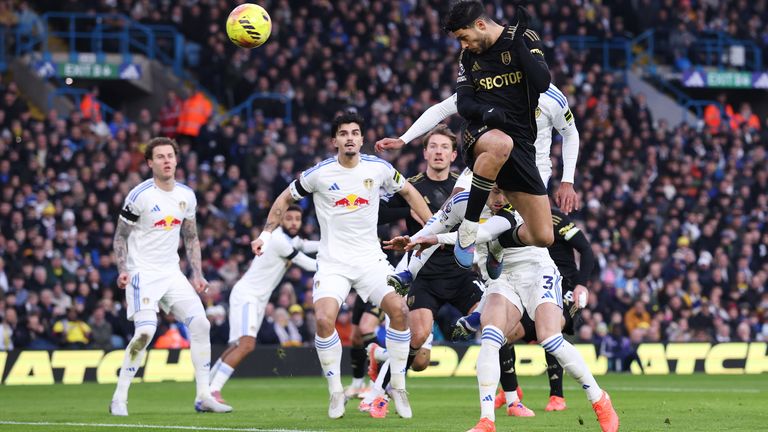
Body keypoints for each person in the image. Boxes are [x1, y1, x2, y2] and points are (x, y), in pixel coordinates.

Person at [250, 113, 432, 419]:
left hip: (370, 260)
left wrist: (431, 230)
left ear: (361, 139)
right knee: (324, 320)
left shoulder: (378, 168)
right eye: (344, 133)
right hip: (333, 263)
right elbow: (283, 199)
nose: (350, 138)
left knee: (400, 311)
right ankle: (336, 392)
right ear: (334, 141)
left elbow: (409, 192)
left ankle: (398, 386)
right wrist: (266, 234)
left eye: (355, 132)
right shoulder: (319, 174)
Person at [405, 198, 619, 432]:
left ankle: (599, 398)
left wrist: (436, 239)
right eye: (494, 191)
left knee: (549, 338)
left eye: (502, 191)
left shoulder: (518, 202)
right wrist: (412, 243)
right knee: (490, 338)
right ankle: (487, 420)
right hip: (501, 278)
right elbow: (435, 222)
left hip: (536, 270)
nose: (499, 198)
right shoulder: (462, 202)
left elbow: (484, 233)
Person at [364, 125, 486, 418]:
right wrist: (407, 210)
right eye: (433, 147)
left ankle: (511, 396)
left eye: (445, 147)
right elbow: (375, 213)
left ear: (454, 155)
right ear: (425, 153)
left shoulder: (466, 185)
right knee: (417, 340)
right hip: (424, 274)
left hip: (460, 272)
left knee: (493, 320)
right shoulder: (411, 186)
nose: (439, 152)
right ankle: (380, 394)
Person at [109, 137, 231, 416]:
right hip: (142, 273)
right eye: (160, 157)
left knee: (201, 324)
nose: (166, 161)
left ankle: (203, 396)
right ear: (150, 163)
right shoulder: (139, 196)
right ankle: (119, 398)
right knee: (145, 332)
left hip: (171, 273)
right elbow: (120, 236)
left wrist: (197, 273)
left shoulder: (186, 195)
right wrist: (123, 269)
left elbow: (191, 236)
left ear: (176, 160)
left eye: (170, 156)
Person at [444, 2, 554, 268]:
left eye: (464, 37)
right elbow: (463, 104)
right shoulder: (468, 57)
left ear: (481, 25)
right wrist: (486, 111)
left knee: (543, 235)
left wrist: (517, 45)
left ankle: (499, 243)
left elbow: (542, 83)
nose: (463, 45)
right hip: (481, 134)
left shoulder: (524, 37)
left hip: (521, 143)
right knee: (501, 143)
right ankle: (469, 229)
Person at [375, 85, 580, 214]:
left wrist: (567, 181)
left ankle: (496, 253)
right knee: (452, 207)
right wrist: (403, 139)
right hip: (489, 159)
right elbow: (442, 109)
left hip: (531, 168)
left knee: (514, 224)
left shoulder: (551, 97)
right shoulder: (488, 84)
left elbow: (570, 133)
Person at [208, 205, 317, 404]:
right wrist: (339, 264)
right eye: (289, 218)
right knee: (247, 345)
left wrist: (335, 244)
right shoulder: (278, 239)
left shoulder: (291, 240)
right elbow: (307, 263)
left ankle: (206, 387)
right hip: (248, 296)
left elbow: (307, 245)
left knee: (239, 345)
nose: (294, 222)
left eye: (297, 219)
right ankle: (213, 391)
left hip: (256, 298)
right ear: (281, 220)